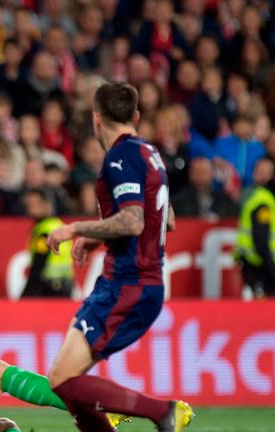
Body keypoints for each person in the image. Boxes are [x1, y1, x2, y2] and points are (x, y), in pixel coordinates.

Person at [46, 82, 193, 432]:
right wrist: (97, 238)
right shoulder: (150, 154)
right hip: (135, 282)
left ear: (97, 119)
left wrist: (76, 229)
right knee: (66, 381)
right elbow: (166, 219)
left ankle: (161, 411)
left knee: (63, 381)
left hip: (129, 283)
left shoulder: (120, 156)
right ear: (136, 116)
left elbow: (132, 220)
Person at [234, 160, 275, 298]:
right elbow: (260, 240)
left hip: (258, 266)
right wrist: (273, 270)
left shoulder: (266, 198)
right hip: (257, 267)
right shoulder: (264, 201)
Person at [22, 189, 73, 298]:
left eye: (37, 203)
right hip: (65, 284)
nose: (32, 208)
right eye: (30, 204)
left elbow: (39, 263)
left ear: (48, 205)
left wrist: (25, 295)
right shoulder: (59, 225)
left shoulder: (45, 231)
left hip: (50, 287)